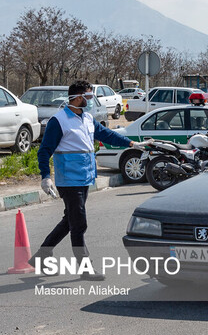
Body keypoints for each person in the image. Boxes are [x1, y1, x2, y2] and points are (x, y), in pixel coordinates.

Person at [28, 80, 152, 280]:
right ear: (76, 98)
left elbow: (107, 134)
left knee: (70, 221)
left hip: (85, 177)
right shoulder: (58, 121)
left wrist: (131, 143)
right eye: (87, 96)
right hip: (68, 180)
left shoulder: (87, 118)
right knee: (79, 224)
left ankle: (42, 256)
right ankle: (85, 268)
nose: (90, 100)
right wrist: (45, 177)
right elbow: (44, 151)